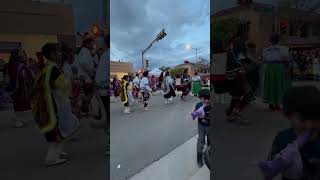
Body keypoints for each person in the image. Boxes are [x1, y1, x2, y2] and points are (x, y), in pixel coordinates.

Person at [31, 43, 80, 166]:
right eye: (58, 52)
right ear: (52, 54)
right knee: (57, 134)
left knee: (62, 131)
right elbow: (63, 86)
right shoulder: (53, 69)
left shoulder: (46, 69)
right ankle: (52, 158)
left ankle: (58, 152)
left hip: (48, 106)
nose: (60, 54)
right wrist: (72, 77)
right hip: (53, 107)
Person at [261, 86, 320, 180]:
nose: (309, 125)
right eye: (303, 120)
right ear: (288, 116)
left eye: (316, 118)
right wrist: (280, 163)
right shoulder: (283, 139)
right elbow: (268, 171)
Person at [225, 21, 254, 123]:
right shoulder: (239, 42)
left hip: (232, 72)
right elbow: (242, 58)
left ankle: (230, 113)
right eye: (248, 32)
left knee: (237, 94)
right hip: (238, 72)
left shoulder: (234, 42)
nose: (249, 35)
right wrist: (254, 63)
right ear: (244, 32)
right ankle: (235, 113)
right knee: (249, 94)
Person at [262, 34, 291, 111]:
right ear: (278, 40)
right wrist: (288, 69)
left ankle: (272, 103)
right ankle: (276, 103)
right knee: (278, 84)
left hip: (271, 67)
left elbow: (264, 60)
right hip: (278, 66)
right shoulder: (282, 49)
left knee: (272, 84)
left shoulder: (266, 49)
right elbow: (287, 60)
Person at [8, 49, 34, 128]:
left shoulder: (23, 65)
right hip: (18, 88)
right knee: (18, 104)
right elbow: (14, 76)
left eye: (23, 53)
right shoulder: (15, 65)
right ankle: (17, 119)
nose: (23, 55)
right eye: (21, 54)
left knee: (23, 104)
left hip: (24, 87)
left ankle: (21, 119)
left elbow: (29, 75)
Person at [191, 89, 211, 167]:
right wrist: (200, 111)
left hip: (210, 126)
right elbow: (195, 114)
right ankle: (199, 157)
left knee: (210, 140)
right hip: (201, 126)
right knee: (200, 141)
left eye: (208, 99)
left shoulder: (211, 105)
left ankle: (209, 155)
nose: (206, 100)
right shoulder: (198, 105)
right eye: (204, 99)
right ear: (200, 98)